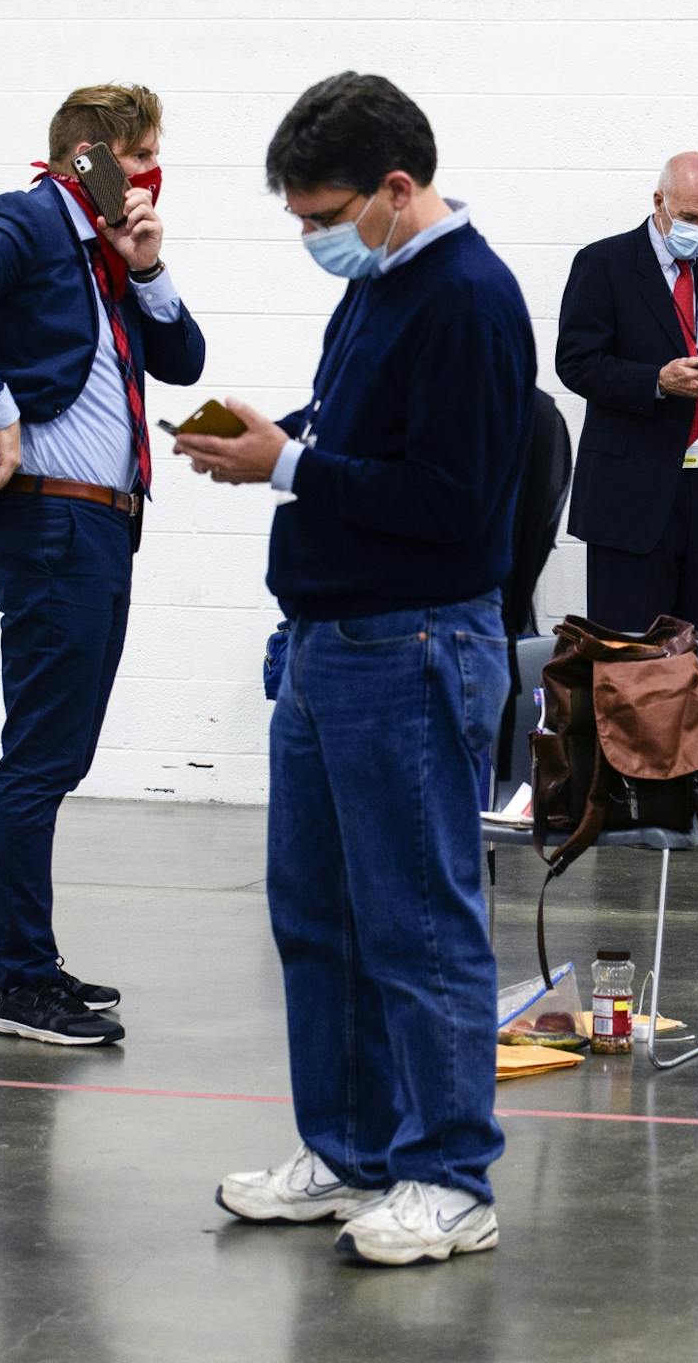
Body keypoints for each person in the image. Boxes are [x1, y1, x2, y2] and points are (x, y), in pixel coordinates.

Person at [174, 73, 532, 1267]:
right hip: (330, 643)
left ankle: (450, 1176)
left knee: (419, 921)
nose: (314, 238)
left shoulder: (470, 300)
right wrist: (272, 440)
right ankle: (350, 1149)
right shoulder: (379, 290)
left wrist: (287, 470)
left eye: (321, 215)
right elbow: (354, 430)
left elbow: (453, 500)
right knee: (318, 913)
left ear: (393, 189)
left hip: (416, 640)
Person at [0, 82, 205, 1044]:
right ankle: (27, 978)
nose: (151, 175)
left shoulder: (103, 248)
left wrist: (147, 267)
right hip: (52, 527)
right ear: (93, 158)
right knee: (42, 754)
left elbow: (185, 360)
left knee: (53, 752)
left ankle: (9, 961)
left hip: (102, 526)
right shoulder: (31, 220)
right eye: (140, 156)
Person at [555, 152, 698, 645]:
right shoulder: (604, 263)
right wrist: (656, 381)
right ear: (659, 202)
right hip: (631, 494)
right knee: (631, 661)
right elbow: (576, 362)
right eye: (690, 217)